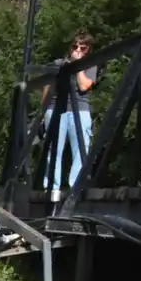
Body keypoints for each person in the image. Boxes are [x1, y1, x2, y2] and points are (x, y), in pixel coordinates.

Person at [41, 30, 97, 191]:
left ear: (88, 50)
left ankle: (75, 186)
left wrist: (77, 66)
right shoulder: (57, 64)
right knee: (54, 150)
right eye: (75, 46)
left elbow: (84, 86)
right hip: (56, 109)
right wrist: (43, 114)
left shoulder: (90, 64)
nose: (78, 50)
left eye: (83, 48)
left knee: (81, 149)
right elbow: (46, 89)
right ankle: (52, 186)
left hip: (80, 109)